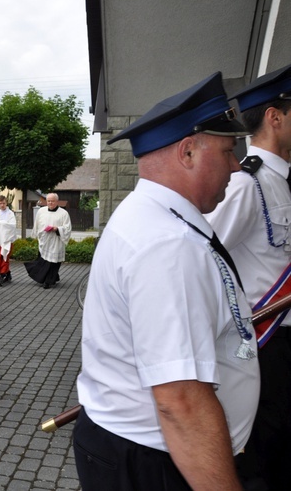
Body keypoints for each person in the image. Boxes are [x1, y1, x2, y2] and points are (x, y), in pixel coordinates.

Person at [74, 72, 260, 490]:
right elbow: (180, 403)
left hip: (142, 452)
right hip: (155, 461)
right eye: (229, 151)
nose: (236, 165)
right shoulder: (166, 243)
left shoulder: (154, 218)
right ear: (188, 153)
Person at [204, 63, 291, 490]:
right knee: (263, 455)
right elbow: (204, 256)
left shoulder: (285, 183)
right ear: (275, 117)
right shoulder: (247, 183)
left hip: (285, 341)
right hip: (266, 341)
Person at [25, 193, 71, 288]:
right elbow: (37, 224)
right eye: (48, 201)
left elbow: (67, 228)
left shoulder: (63, 213)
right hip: (44, 241)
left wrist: (57, 229)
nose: (50, 203)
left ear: (57, 201)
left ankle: (48, 281)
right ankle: (51, 277)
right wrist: (36, 235)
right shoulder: (41, 211)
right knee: (44, 262)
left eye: (52, 201)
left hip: (56, 241)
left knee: (53, 262)